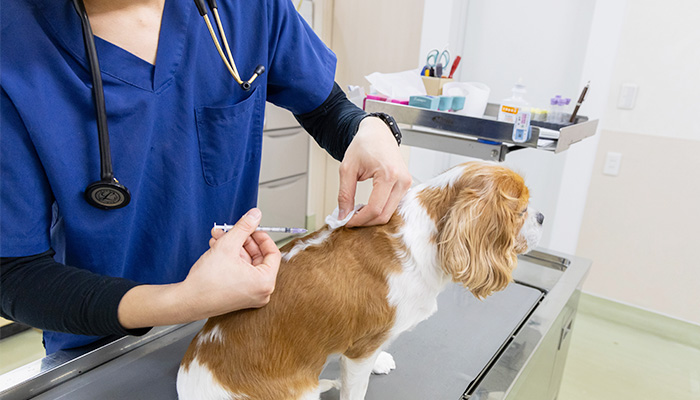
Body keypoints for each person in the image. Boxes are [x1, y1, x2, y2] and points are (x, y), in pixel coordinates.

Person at [0, 0, 411, 354]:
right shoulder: (14, 43)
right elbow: (14, 275)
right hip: (101, 342)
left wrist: (366, 128)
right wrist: (178, 301)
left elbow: (325, 107)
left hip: (234, 325)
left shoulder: (246, 9)